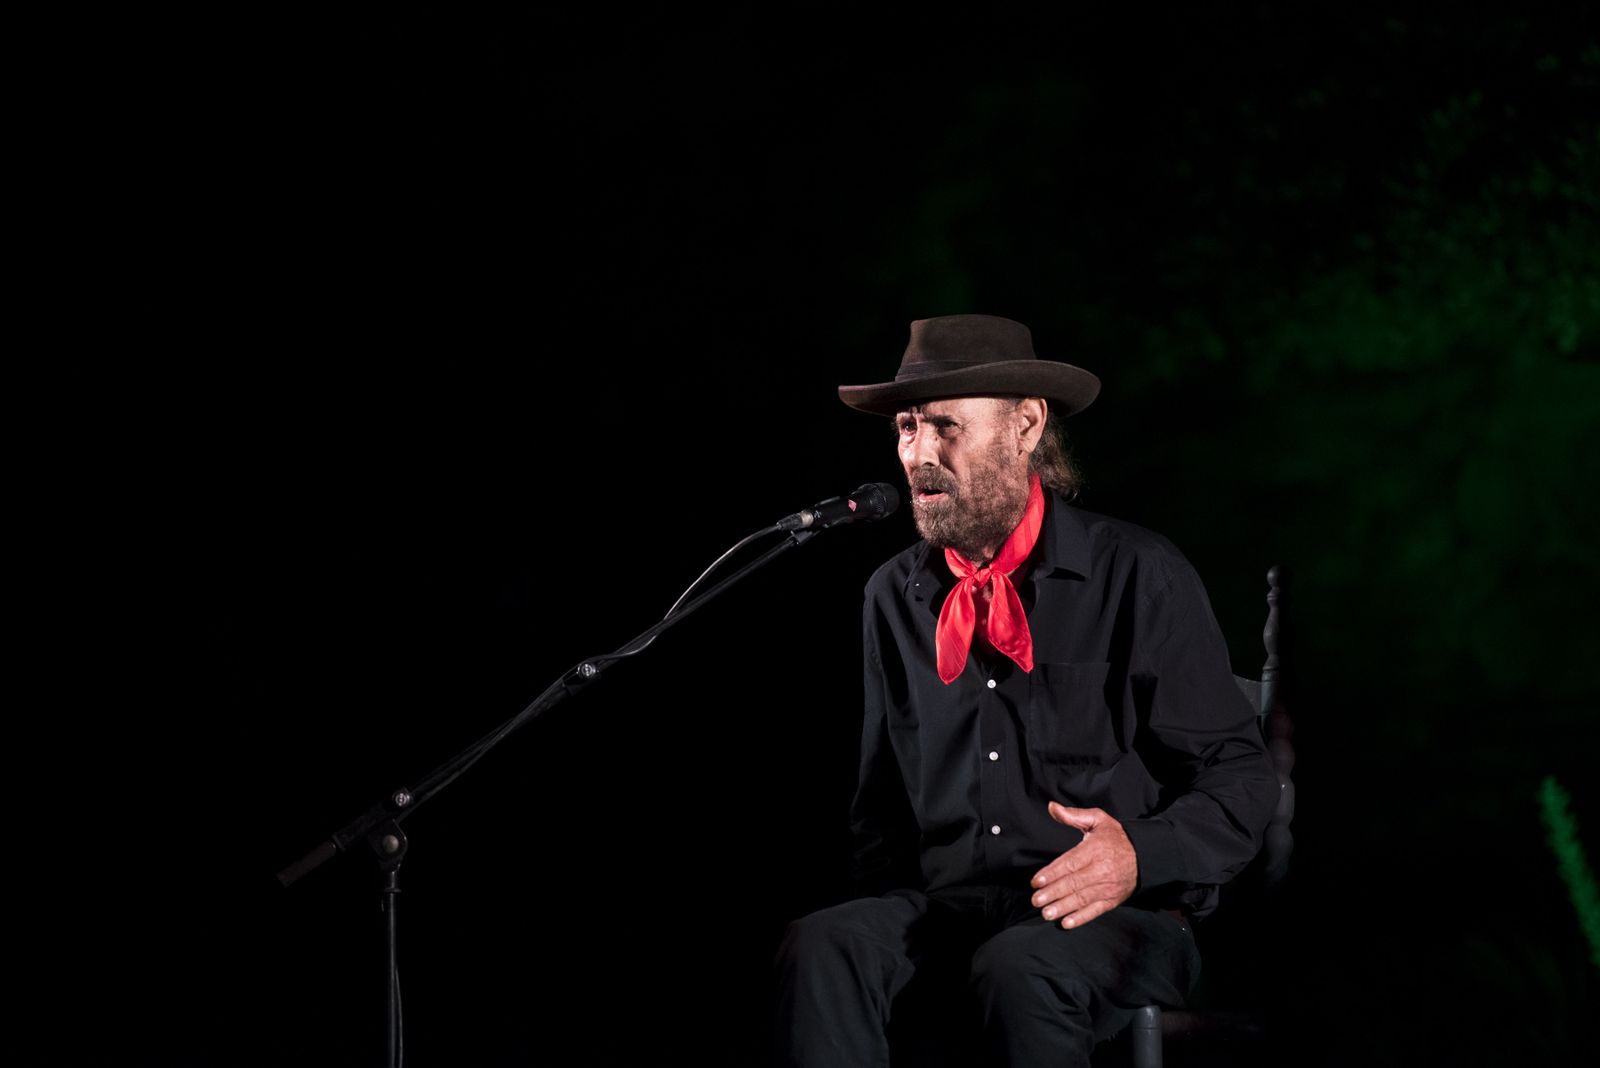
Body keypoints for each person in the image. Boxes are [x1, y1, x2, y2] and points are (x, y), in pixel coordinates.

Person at [773, 315, 1281, 1067]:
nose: (918, 455)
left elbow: (1243, 780)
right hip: (955, 913)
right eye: (908, 428)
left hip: (1117, 919)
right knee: (823, 945)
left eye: (946, 426)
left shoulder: (1137, 574)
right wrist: (895, 908)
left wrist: (1138, 854)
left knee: (1018, 967)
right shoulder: (893, 595)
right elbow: (879, 811)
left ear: (1026, 427)